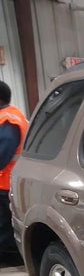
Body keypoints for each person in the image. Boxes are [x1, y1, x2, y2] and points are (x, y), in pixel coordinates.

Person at [0, 81, 28, 261]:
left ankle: (11, 259)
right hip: (6, 184)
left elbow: (2, 153)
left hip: (6, 185)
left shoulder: (8, 120)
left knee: (5, 228)